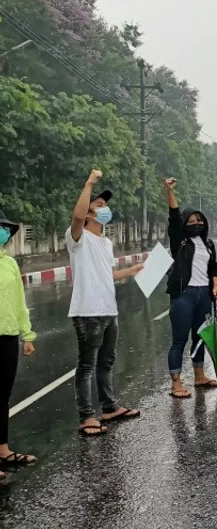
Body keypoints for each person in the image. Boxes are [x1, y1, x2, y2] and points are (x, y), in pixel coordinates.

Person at [67, 169, 144, 437]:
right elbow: (76, 216)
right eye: (99, 206)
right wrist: (89, 182)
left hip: (109, 310)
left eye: (106, 206)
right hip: (87, 311)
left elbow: (106, 274)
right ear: (88, 214)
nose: (105, 209)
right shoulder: (77, 237)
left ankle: (109, 407)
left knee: (106, 362)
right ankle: (86, 415)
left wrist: (131, 271)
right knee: (87, 364)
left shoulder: (106, 242)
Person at [164, 178, 217, 399]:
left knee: (200, 337)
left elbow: (213, 266)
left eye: (199, 220)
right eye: (191, 220)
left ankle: (199, 376)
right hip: (184, 296)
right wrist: (169, 191)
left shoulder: (208, 243)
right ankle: (176, 382)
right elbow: (174, 215)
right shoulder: (179, 241)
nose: (196, 223)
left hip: (204, 295)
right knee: (179, 340)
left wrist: (216, 285)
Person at [0, 210, 36, 480]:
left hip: (9, 337)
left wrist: (28, 335)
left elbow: (20, 303)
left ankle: (3, 450)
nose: (3, 231)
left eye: (4, 227)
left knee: (3, 396)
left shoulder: (10, 264)